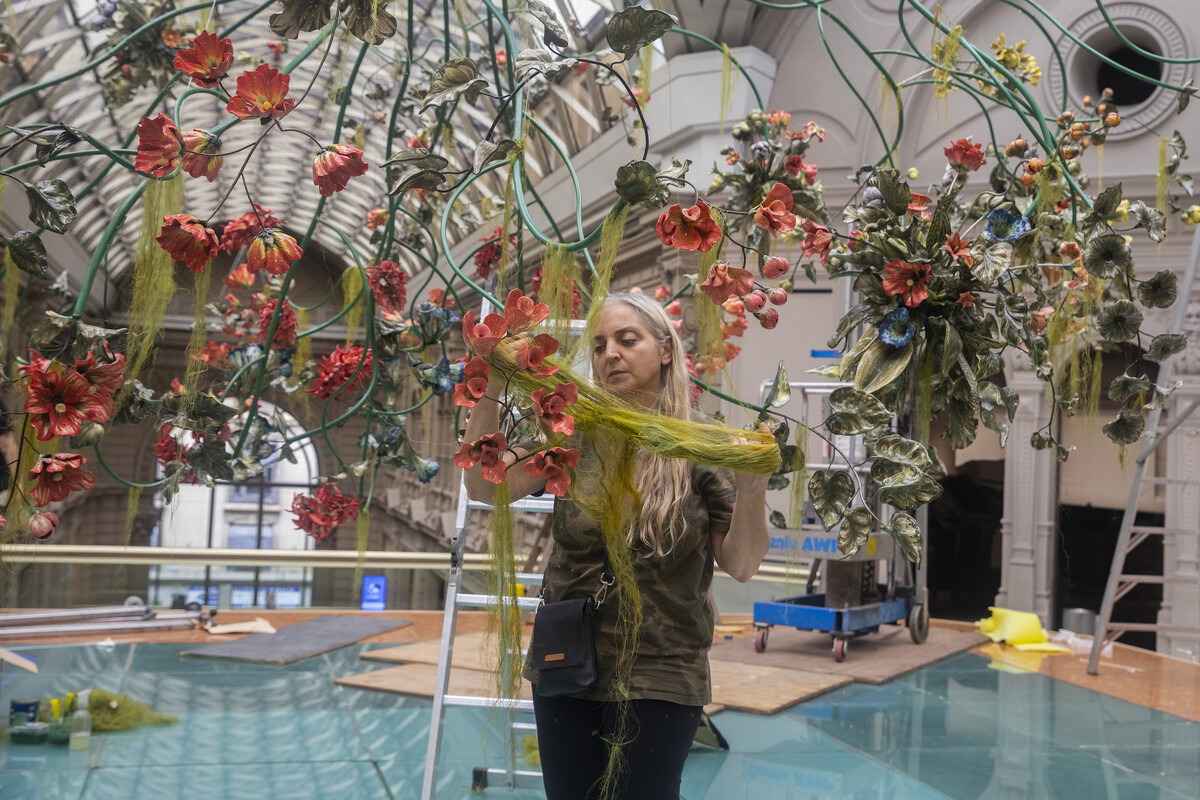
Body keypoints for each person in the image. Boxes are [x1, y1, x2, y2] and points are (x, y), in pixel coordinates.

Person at [461, 291, 770, 800]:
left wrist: (753, 487)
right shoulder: (569, 432)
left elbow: (741, 562)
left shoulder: (701, 444)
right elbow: (482, 486)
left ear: (665, 350)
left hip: (663, 665)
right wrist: (495, 377)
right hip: (568, 657)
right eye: (601, 344)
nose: (611, 354)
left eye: (628, 340)